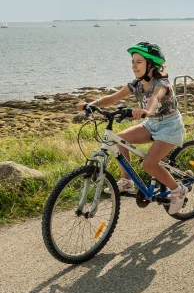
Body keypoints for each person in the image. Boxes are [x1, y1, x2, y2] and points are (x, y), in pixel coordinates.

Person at [77, 42, 187, 214]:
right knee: (120, 139)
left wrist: (146, 111)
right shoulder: (136, 84)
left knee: (149, 164)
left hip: (169, 126)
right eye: (133, 62)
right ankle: (127, 181)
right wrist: (91, 105)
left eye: (139, 62)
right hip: (151, 124)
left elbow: (155, 97)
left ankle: (178, 190)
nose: (134, 66)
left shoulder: (162, 83)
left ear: (151, 65)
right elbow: (112, 98)